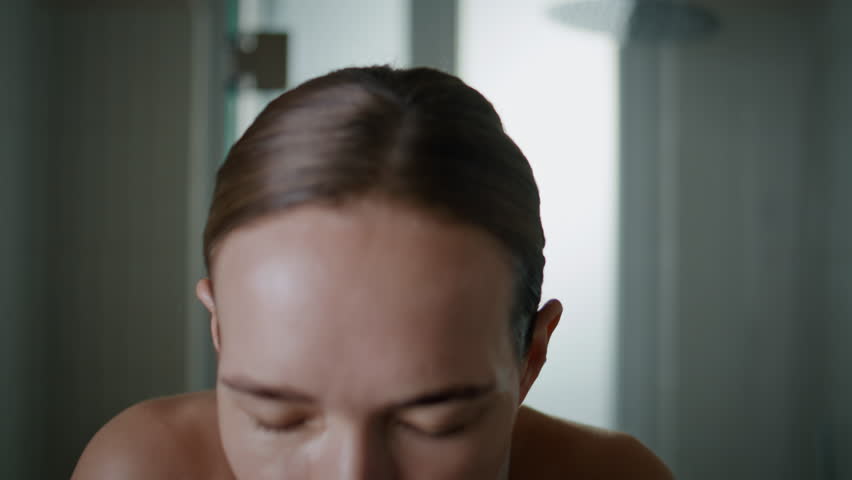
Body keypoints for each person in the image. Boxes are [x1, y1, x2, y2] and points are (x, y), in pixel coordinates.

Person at [71, 65, 672, 479]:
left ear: (530, 358)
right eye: (277, 419)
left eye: (434, 423)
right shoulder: (143, 468)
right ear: (221, 336)